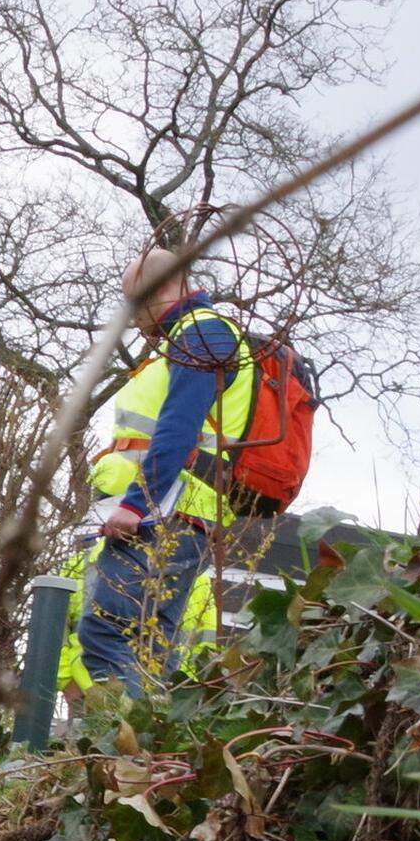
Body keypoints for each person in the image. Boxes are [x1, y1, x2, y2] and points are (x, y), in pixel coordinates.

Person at [80, 245, 258, 696]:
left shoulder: (201, 334)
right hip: (177, 514)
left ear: (162, 287)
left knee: (108, 633)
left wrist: (137, 505)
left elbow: (177, 428)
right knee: (150, 646)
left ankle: (118, 756)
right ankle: (146, 756)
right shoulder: (195, 336)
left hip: (163, 516)